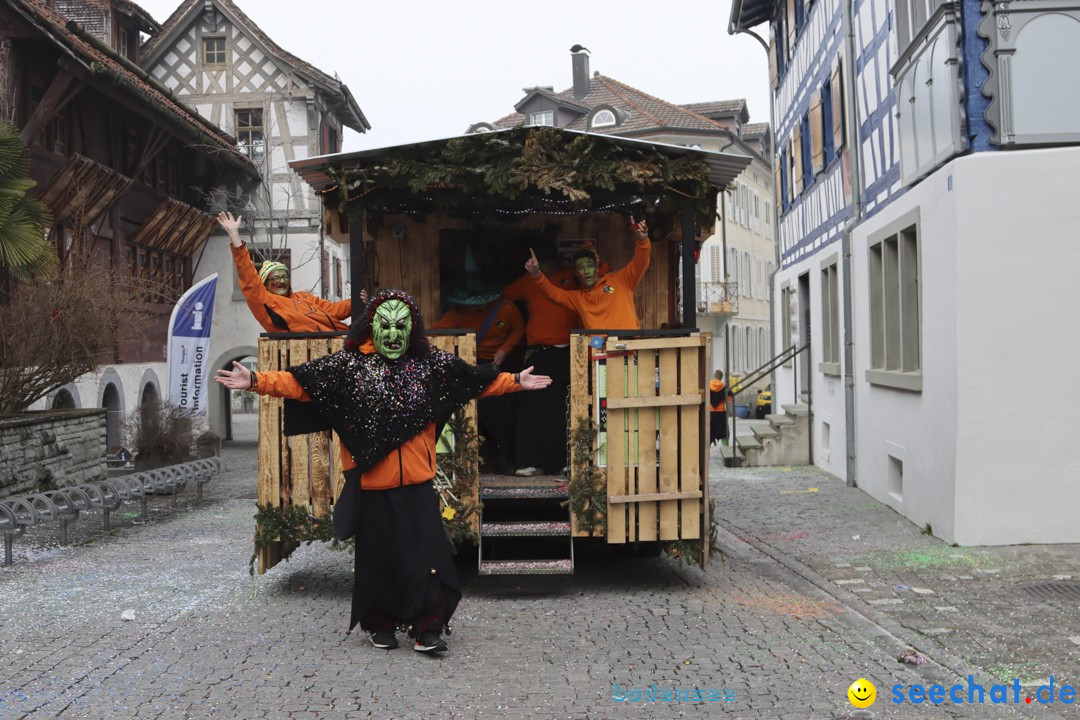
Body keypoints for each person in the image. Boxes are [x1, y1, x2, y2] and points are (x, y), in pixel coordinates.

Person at [215, 289, 551, 653]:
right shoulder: (349, 368)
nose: (392, 334)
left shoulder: (428, 366)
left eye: (400, 325)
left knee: (429, 560)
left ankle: (427, 628)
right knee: (379, 562)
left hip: (418, 484)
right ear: (371, 327)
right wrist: (256, 382)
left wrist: (515, 382)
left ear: (412, 328)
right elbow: (301, 384)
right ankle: (381, 624)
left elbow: (470, 381)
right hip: (374, 485)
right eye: (384, 325)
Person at [216, 211, 363, 333]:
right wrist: (234, 235)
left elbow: (334, 310)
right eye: (275, 278)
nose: (281, 281)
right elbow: (248, 276)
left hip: (344, 338)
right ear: (265, 284)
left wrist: (358, 300)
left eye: (284, 277)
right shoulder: (265, 302)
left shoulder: (303, 297)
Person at [430, 289, 525, 474]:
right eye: (473, 304)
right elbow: (434, 332)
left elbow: (519, 329)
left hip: (494, 365)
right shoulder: (456, 312)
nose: (479, 307)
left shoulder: (505, 307)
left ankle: (502, 459)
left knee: (501, 413)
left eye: (482, 302)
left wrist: (504, 350)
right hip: (467, 366)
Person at [502, 257, 581, 476]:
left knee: (565, 406)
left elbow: (597, 277)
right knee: (531, 406)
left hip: (573, 349)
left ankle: (565, 461)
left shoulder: (570, 274)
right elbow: (505, 295)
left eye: (549, 254)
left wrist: (588, 252)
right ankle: (531, 462)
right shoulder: (527, 281)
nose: (545, 261)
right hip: (540, 351)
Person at [524, 216, 650, 331]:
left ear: (596, 267)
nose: (586, 271)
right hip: (599, 352)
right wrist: (536, 274)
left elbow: (641, 262)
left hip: (628, 347)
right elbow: (553, 293)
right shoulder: (578, 298)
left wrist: (643, 240)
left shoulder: (621, 280)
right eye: (580, 267)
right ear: (576, 273)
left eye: (589, 266)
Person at [709, 370, 730, 446]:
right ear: (721, 378)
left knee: (709, 433)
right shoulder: (724, 387)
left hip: (710, 412)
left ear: (714, 376)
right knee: (724, 433)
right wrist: (727, 412)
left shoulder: (707, 385)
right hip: (721, 413)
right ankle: (726, 451)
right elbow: (728, 402)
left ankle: (706, 453)